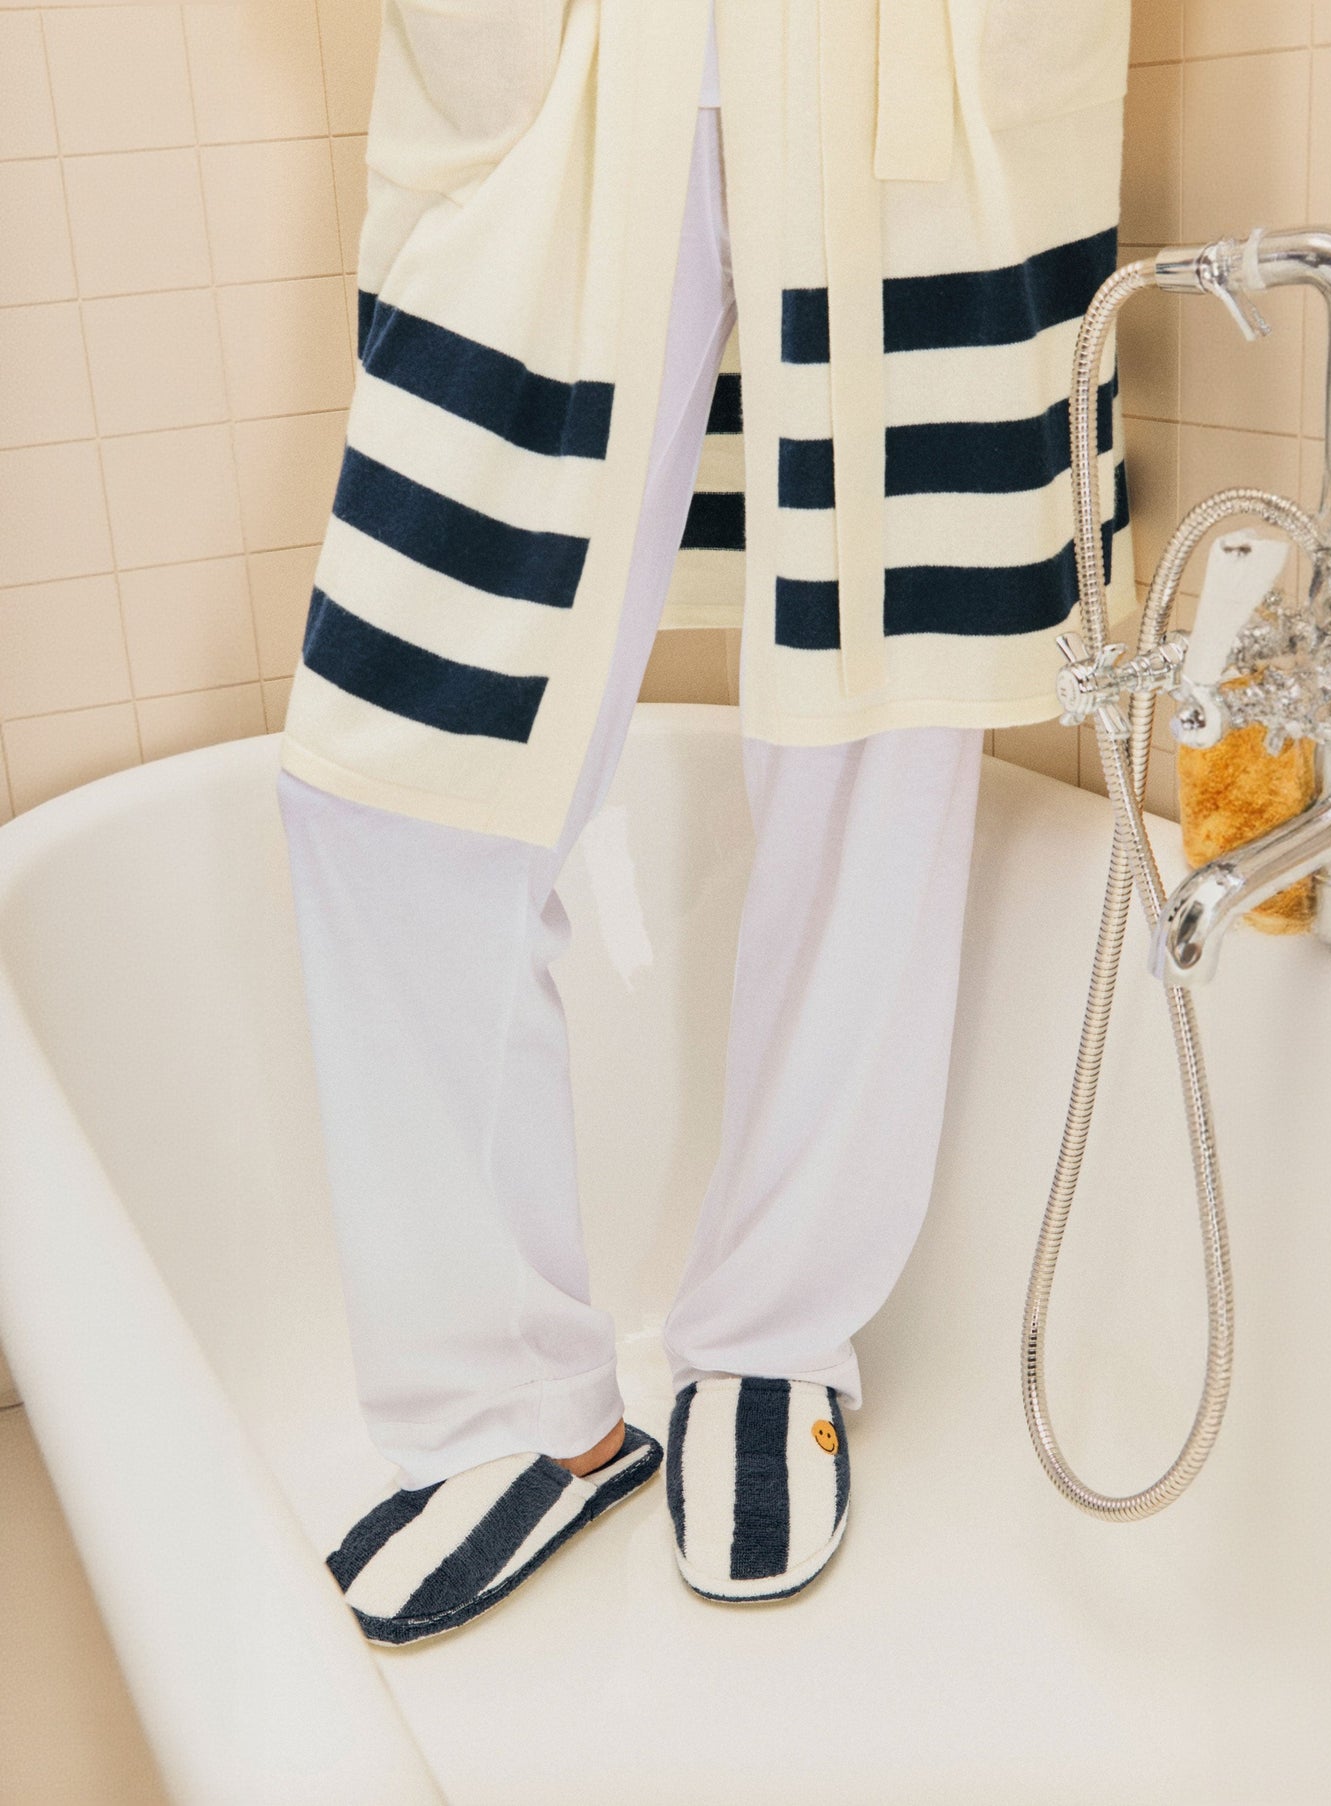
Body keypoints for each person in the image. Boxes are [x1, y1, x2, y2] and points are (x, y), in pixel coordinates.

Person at [276, 0, 1133, 1643]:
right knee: (393, 762)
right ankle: (507, 1400)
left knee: (876, 718)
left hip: (914, 63)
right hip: (568, 64)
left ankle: (771, 1338)